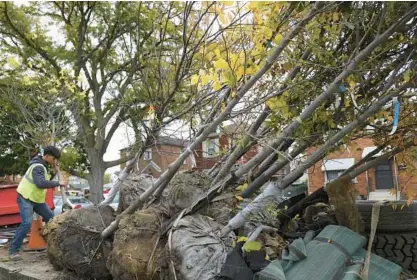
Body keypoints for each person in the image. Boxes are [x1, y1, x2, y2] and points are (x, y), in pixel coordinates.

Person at [8, 146, 66, 261]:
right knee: (26, 223)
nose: (55, 161)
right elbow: (40, 183)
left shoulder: (43, 166)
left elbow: (45, 180)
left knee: (52, 219)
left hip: (36, 200)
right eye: (54, 159)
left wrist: (55, 171)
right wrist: (58, 183)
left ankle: (53, 246)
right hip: (25, 197)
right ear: (47, 156)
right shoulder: (37, 166)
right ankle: (13, 251)